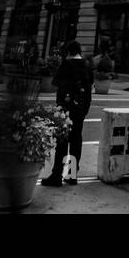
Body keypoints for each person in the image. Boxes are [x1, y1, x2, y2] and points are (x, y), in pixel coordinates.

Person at [42, 41, 93, 188]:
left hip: (66, 109)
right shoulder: (87, 66)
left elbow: (55, 83)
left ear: (68, 52)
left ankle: (57, 175)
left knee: (62, 142)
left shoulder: (66, 64)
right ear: (80, 51)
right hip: (81, 110)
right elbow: (90, 86)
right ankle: (72, 175)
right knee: (76, 141)